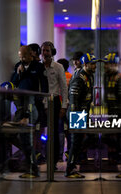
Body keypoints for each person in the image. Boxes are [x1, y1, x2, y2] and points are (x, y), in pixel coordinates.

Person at [11, 45, 48, 178]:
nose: (22, 59)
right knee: (12, 134)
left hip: (32, 106)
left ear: (30, 55)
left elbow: (42, 86)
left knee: (28, 136)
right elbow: (13, 82)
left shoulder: (38, 67)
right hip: (20, 106)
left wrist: (43, 102)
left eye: (24, 57)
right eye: (20, 57)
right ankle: (30, 154)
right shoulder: (18, 65)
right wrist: (18, 73)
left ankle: (32, 166)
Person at [65, 53, 97, 178]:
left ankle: (72, 166)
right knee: (76, 143)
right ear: (85, 64)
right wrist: (77, 118)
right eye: (92, 64)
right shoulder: (80, 77)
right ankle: (70, 169)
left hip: (83, 114)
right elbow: (73, 99)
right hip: (76, 114)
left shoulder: (90, 76)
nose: (94, 66)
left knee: (82, 141)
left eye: (95, 63)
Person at [41, 41, 68, 170]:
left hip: (55, 102)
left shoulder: (58, 67)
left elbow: (63, 88)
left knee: (54, 133)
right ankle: (41, 157)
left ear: (52, 52)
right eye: (43, 50)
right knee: (39, 131)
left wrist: (64, 106)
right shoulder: (39, 67)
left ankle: (54, 160)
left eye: (47, 50)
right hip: (41, 102)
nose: (45, 53)